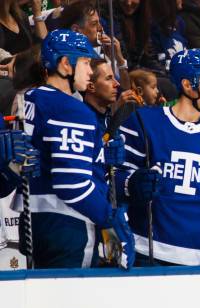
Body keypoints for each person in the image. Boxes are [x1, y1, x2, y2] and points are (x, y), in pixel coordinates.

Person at [118, 48, 200, 266]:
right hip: (148, 252)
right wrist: (131, 183)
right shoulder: (143, 122)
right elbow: (114, 178)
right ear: (188, 85)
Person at [23, 29, 134, 268]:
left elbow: (49, 157)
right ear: (65, 64)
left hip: (34, 217)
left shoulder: (32, 97)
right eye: (85, 62)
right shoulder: (70, 109)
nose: (90, 70)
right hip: (68, 222)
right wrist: (109, 217)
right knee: (71, 302)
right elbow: (71, 183)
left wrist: (100, 154)